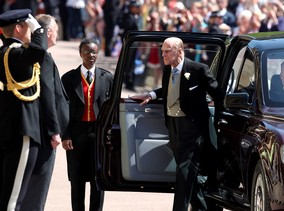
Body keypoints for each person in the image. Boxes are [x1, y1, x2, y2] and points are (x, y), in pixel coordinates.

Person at [130, 37, 224, 211]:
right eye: (162, 50)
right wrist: (150, 95)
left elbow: (218, 94)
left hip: (193, 127)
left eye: (167, 51)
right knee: (186, 173)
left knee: (183, 170)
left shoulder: (198, 69)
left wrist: (217, 114)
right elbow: (167, 89)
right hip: (173, 125)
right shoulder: (168, 70)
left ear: (179, 51)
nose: (163, 54)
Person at [21, 14, 69, 211]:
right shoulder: (44, 58)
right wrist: (54, 130)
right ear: (48, 33)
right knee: (37, 188)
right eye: (56, 30)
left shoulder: (35, 54)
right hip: (45, 134)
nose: (57, 34)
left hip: (37, 131)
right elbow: (48, 96)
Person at [0, 9, 47, 210]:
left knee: (8, 191)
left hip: (13, 124)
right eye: (28, 27)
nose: (31, 31)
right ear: (18, 28)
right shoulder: (15, 53)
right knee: (14, 195)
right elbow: (38, 51)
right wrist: (40, 31)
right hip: (23, 128)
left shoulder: (7, 52)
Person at [61, 38, 113, 211]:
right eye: (87, 52)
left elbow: (113, 108)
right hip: (77, 133)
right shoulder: (69, 79)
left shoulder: (107, 78)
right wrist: (65, 135)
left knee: (98, 178)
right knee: (77, 179)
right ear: (80, 54)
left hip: (98, 133)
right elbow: (62, 109)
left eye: (94, 52)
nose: (91, 56)